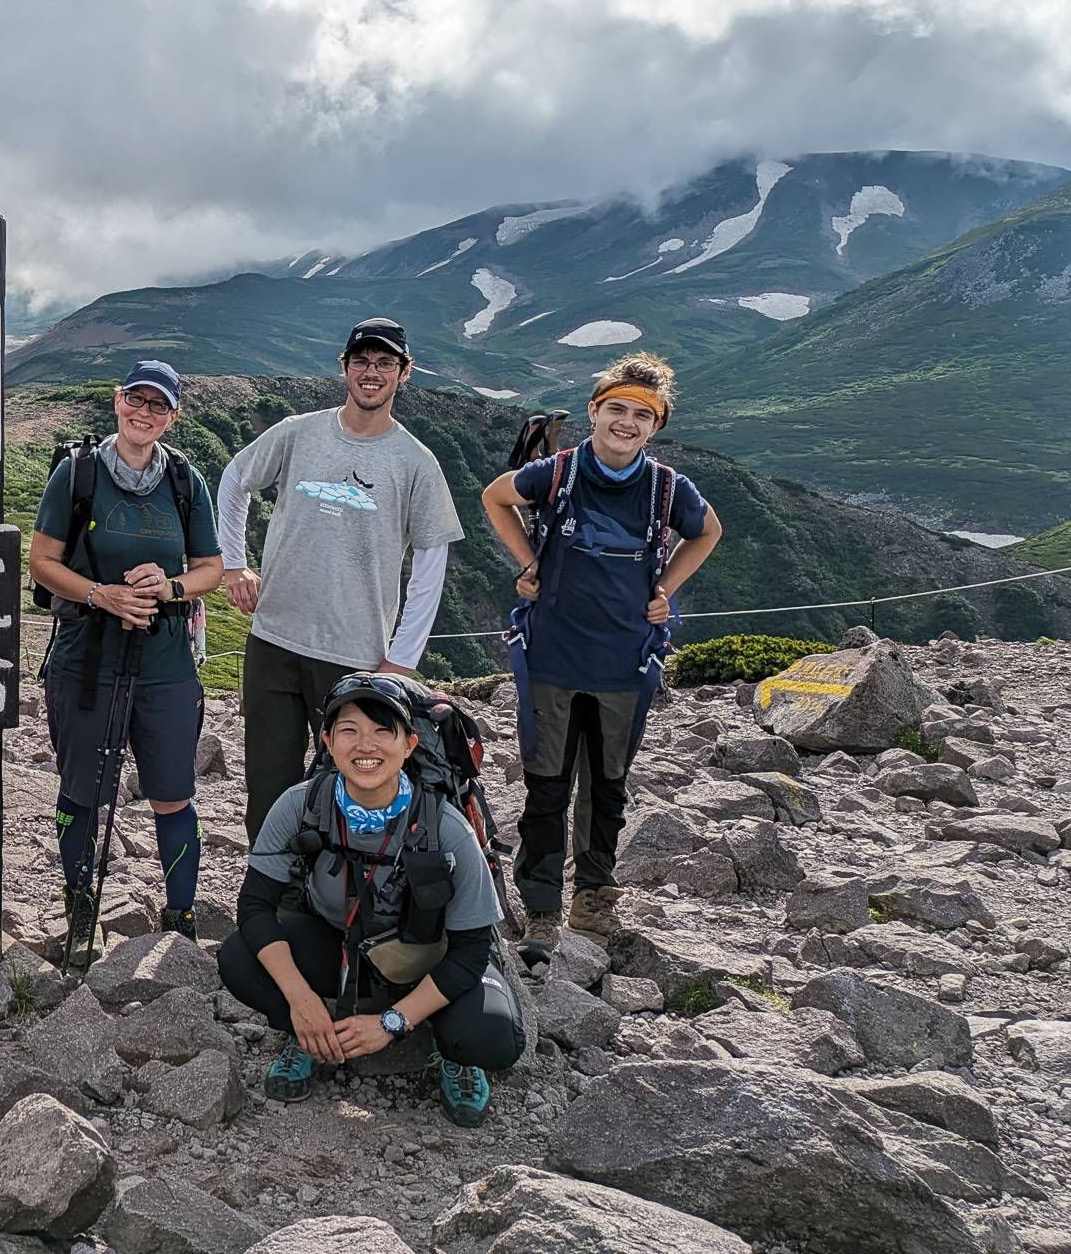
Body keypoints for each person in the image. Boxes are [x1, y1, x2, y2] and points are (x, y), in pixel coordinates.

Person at [481, 352, 721, 956]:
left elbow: (707, 531)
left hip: (623, 659)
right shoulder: (559, 471)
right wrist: (528, 562)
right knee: (547, 783)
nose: (627, 422)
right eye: (617, 409)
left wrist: (664, 587)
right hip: (554, 655)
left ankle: (592, 898)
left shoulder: (668, 487)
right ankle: (541, 908)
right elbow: (495, 497)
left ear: (656, 427)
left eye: (643, 415)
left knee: (607, 783)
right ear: (594, 411)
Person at [218, 673, 526, 1129]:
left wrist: (391, 1023)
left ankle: (448, 1051)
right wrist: (302, 1001)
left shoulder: (446, 827)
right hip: (341, 943)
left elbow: (471, 949)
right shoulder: (300, 806)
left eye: (384, 730)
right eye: (349, 730)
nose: (367, 745)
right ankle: (311, 1033)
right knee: (239, 958)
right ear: (326, 740)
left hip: (429, 953)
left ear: (409, 744)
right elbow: (255, 908)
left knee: (490, 1038)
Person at [217, 317, 465, 841]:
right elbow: (236, 479)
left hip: (356, 655)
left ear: (404, 373)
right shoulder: (297, 432)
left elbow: (431, 560)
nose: (371, 373)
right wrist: (234, 563)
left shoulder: (416, 462)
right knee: (268, 785)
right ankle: (269, 897)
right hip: (275, 641)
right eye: (361, 361)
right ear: (344, 367)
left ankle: (341, 900)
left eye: (384, 364)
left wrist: (403, 660)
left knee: (354, 785)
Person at [27, 361, 223, 953]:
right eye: (136, 400)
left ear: (174, 416)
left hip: (165, 663)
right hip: (86, 658)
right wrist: (100, 594)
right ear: (117, 401)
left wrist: (169, 587)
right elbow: (41, 562)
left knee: (172, 791)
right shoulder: (77, 474)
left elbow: (211, 568)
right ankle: (80, 909)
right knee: (82, 789)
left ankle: (180, 918)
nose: (144, 413)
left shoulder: (186, 482)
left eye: (158, 406)